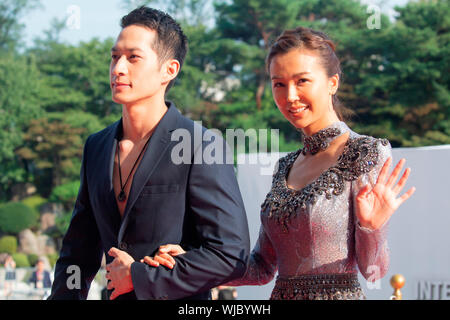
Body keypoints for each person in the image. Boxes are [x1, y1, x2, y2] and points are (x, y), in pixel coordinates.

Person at [144, 27, 416, 300]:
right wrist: (193, 262)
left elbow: (373, 272)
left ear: (332, 83)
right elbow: (261, 268)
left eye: (302, 81)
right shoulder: (284, 166)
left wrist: (372, 227)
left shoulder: (365, 152)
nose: (290, 96)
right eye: (279, 84)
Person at [47, 6, 250, 300]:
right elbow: (78, 252)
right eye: (115, 57)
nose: (118, 68)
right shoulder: (97, 146)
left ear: (169, 70)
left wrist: (142, 277)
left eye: (133, 58)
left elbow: (232, 254)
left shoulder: (200, 144)